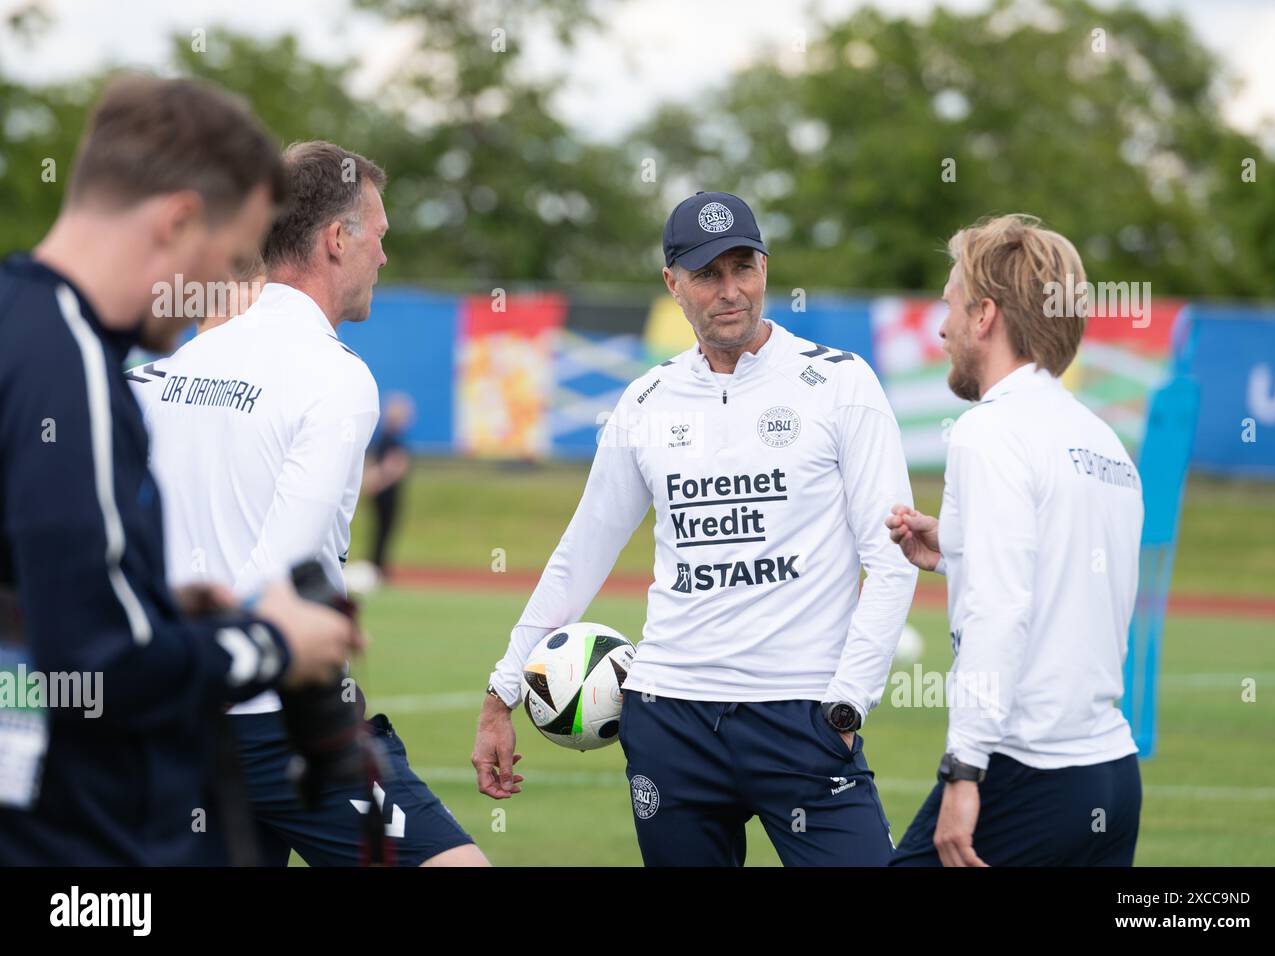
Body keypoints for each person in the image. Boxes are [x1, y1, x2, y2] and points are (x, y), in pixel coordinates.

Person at [474, 191, 918, 866]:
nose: (731, 290)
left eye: (745, 267)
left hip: (803, 718)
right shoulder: (645, 402)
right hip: (670, 719)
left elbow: (892, 557)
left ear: (765, 267)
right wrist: (503, 691)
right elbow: (581, 554)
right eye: (708, 274)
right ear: (672, 284)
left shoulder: (839, 383)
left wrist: (847, 707)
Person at [0, 75, 360, 866]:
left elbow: (31, 605)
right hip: (69, 845)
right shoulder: (76, 368)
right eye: (233, 259)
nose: (228, 294)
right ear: (178, 220)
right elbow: (95, 665)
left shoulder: (16, 321)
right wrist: (266, 642)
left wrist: (157, 604)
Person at [131, 141, 486, 867]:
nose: (382, 258)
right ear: (336, 239)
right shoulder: (336, 377)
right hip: (280, 718)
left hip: (178, 716)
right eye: (379, 237)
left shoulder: (165, 371)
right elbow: (280, 577)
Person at [886, 214, 1143, 867]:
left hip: (1027, 773)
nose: (941, 328)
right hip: (1111, 774)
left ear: (984, 317)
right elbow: (1062, 569)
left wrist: (963, 772)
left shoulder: (989, 430)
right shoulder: (1103, 441)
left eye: (948, 305)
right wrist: (951, 549)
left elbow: (1001, 606)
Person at [363, 393, 414, 580]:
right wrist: (377, 482)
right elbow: (393, 466)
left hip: (382, 492)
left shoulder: (383, 437)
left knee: (381, 531)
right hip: (385, 494)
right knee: (383, 530)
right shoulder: (390, 439)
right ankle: (377, 567)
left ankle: (378, 565)